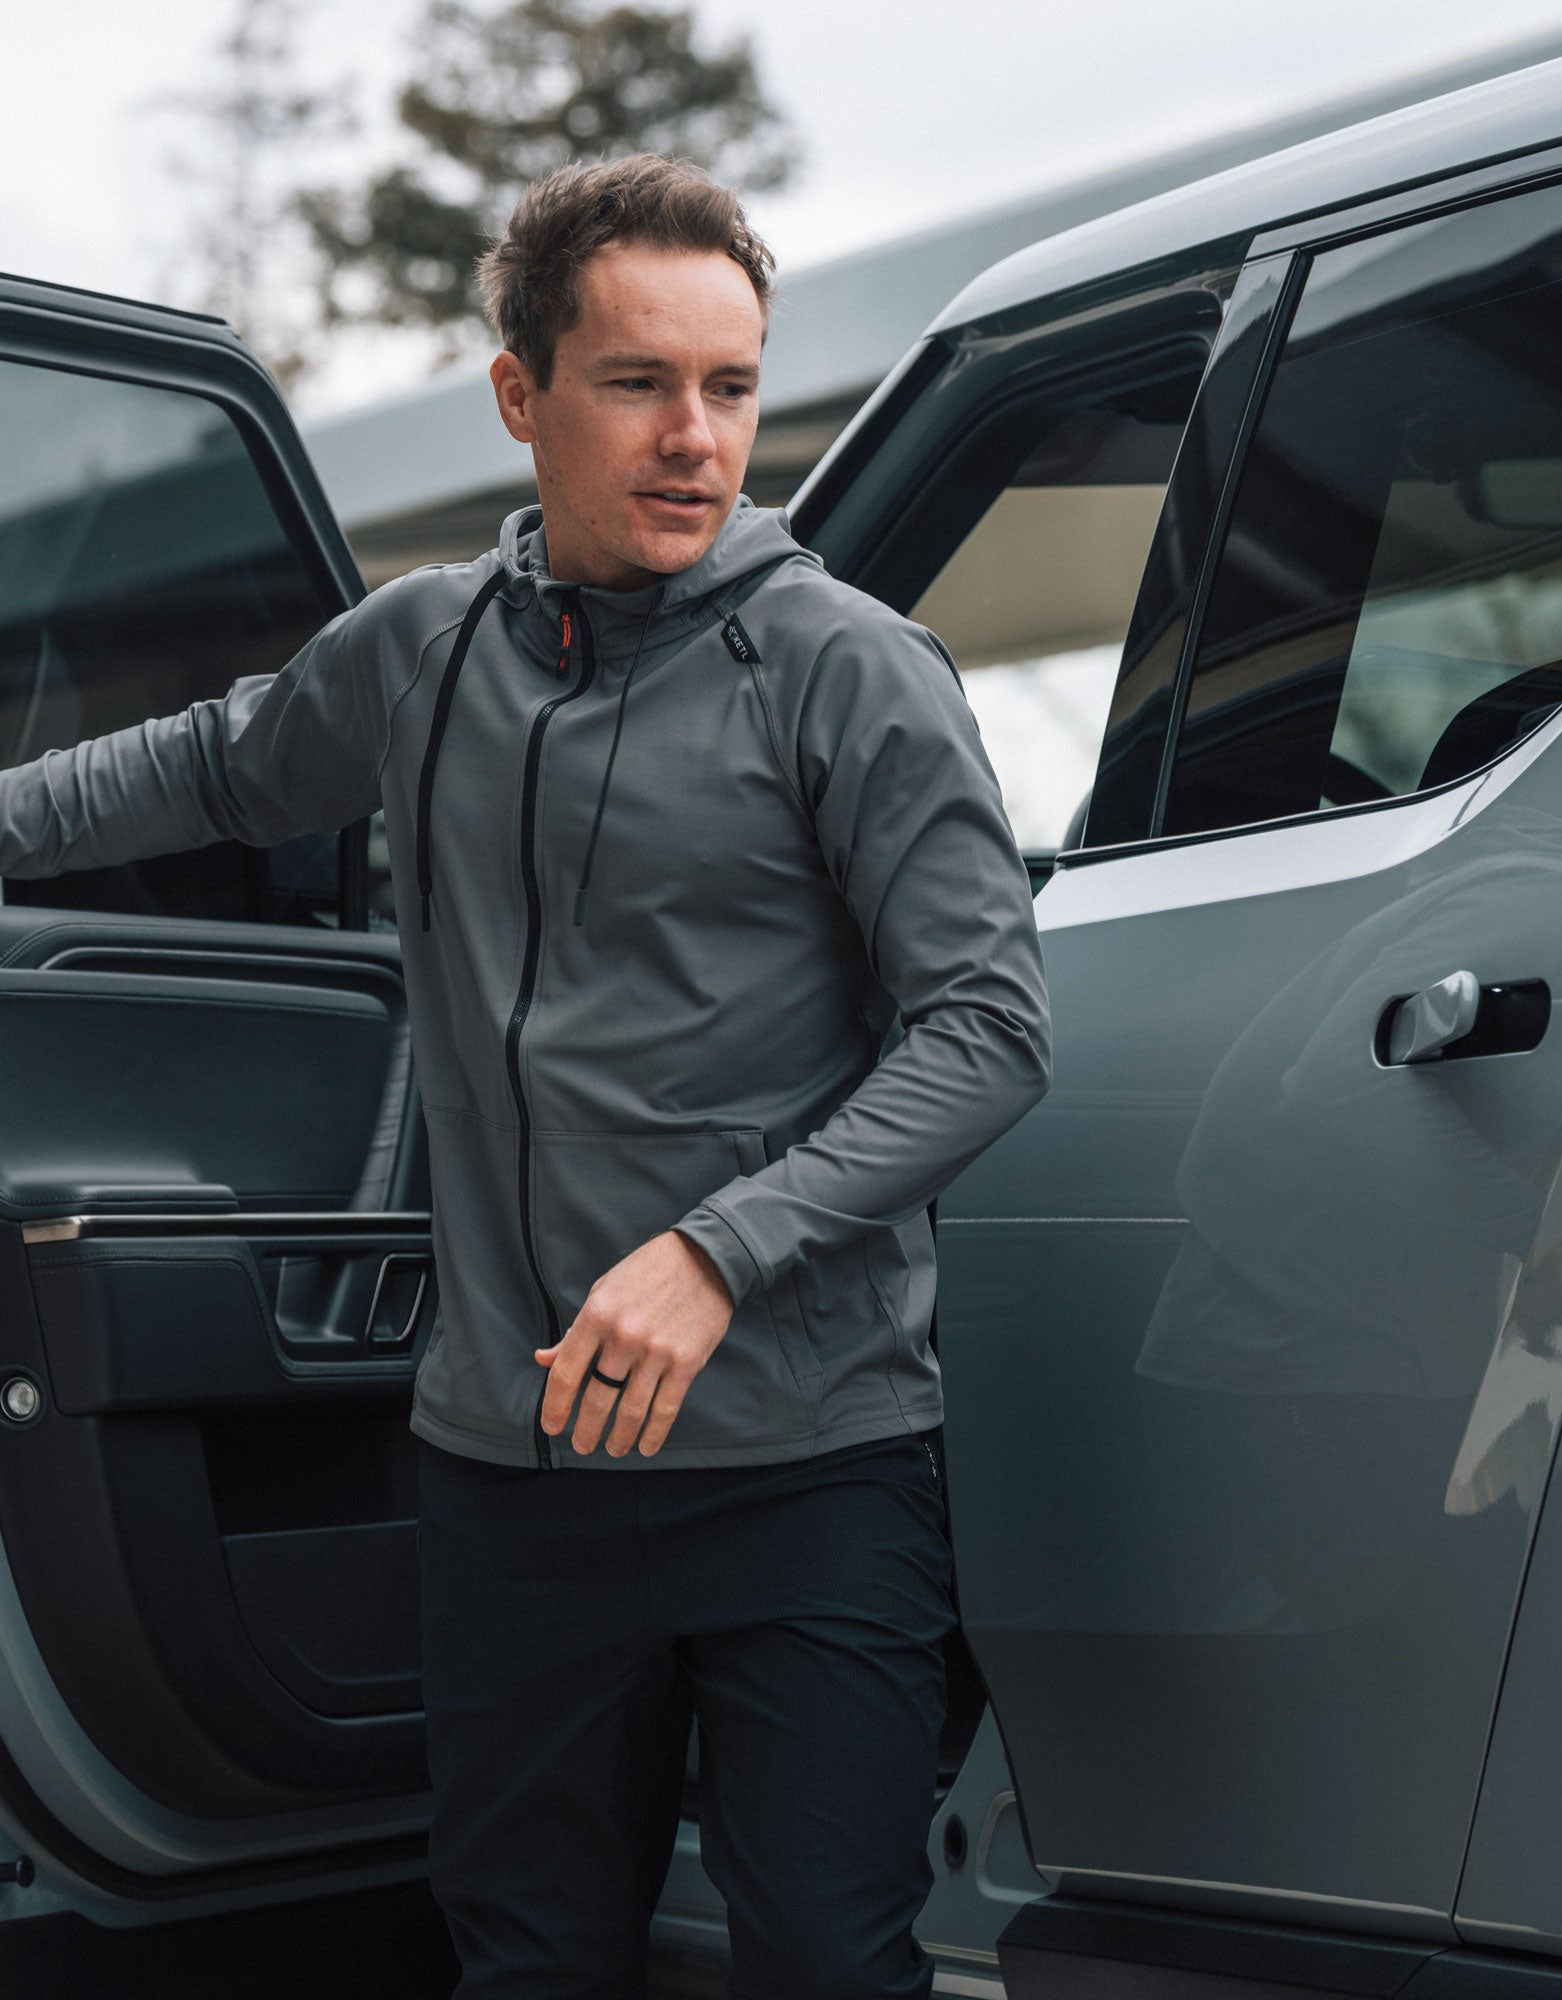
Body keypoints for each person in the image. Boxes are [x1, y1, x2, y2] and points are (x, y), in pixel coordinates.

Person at [0, 156, 1050, 1996]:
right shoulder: (424, 650)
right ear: (521, 393)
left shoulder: (850, 669)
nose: (696, 439)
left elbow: (989, 1026)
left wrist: (721, 1251)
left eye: (729, 387)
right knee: (528, 1964)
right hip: (508, 1473)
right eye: (639, 382)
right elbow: (208, 769)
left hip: (808, 1472)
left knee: (826, 1962)